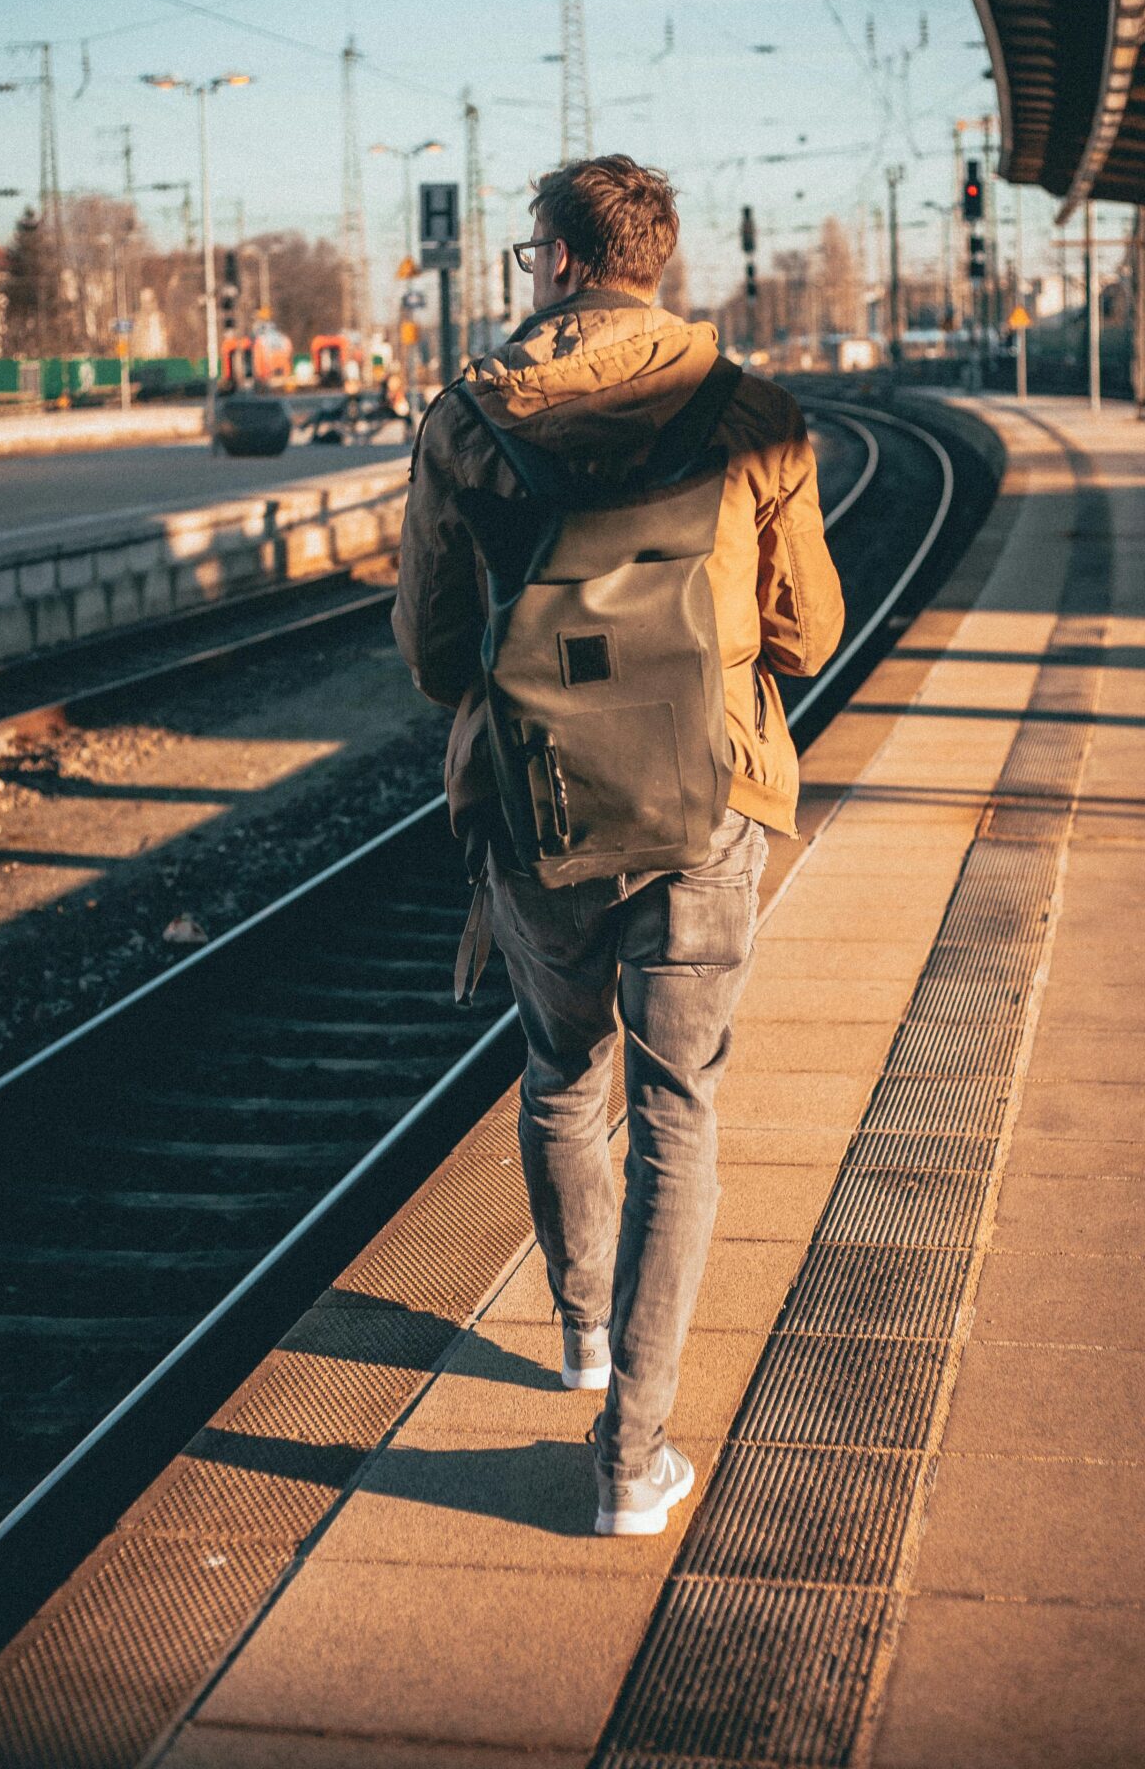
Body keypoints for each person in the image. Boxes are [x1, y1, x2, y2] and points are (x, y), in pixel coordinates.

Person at [393, 155, 843, 1535]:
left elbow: (428, 653)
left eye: (534, 254)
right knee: (678, 1117)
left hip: (538, 808)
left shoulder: (464, 420)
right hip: (705, 804)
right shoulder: (751, 415)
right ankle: (628, 1459)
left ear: (560, 260)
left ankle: (580, 1331)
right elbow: (807, 634)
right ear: (656, 259)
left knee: (554, 1074)